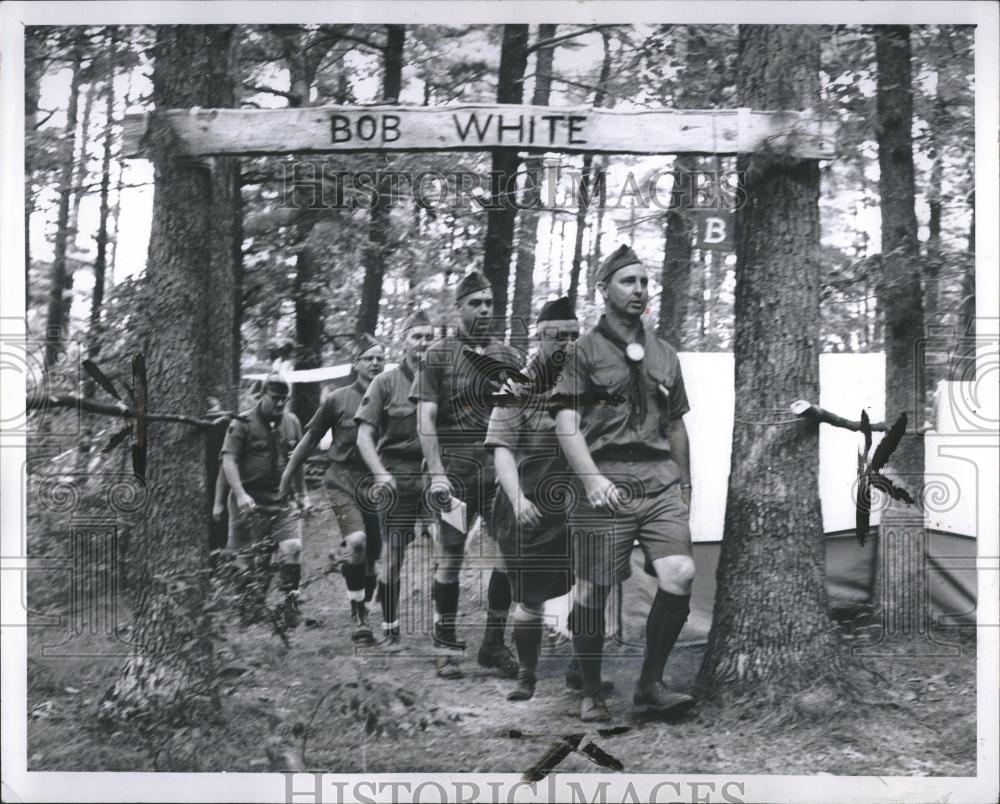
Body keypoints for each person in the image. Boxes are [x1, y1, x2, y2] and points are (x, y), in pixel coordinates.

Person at [552, 245, 696, 723]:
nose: (638, 290)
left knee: (679, 574)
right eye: (627, 281)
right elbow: (566, 423)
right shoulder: (582, 352)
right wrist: (590, 479)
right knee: (592, 593)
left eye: (643, 282)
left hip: (658, 484)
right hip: (604, 486)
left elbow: (675, 426)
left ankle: (651, 684)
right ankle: (591, 688)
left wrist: (686, 488)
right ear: (604, 290)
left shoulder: (665, 354)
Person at [410, 270, 521, 679]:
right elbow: (426, 417)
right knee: (451, 556)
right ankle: (446, 645)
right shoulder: (438, 354)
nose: (484, 310)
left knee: (510, 555)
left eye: (489, 303)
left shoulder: (508, 357)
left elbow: (521, 415)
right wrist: (437, 475)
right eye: (475, 303)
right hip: (454, 474)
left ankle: (493, 643)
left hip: (497, 472)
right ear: (458, 308)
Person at [486, 297, 580, 701]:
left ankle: (581, 671)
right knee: (529, 599)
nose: (569, 344)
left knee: (592, 588)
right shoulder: (516, 387)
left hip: (576, 506)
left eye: (575, 336)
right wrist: (519, 499)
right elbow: (502, 449)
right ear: (539, 337)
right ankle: (527, 674)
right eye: (560, 336)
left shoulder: (587, 383)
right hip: (527, 507)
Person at [280, 334, 385, 644]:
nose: (375, 363)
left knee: (372, 555)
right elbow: (310, 439)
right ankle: (358, 615)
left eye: (380, 358)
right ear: (356, 364)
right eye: (369, 358)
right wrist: (288, 474)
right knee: (356, 542)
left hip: (377, 484)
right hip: (341, 480)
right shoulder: (337, 399)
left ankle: (363, 602)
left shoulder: (391, 396)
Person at [355, 310, 436, 649]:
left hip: (434, 476)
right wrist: (380, 473)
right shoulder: (384, 383)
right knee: (393, 554)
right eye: (417, 337)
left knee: (447, 547)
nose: (423, 344)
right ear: (404, 341)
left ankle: (442, 629)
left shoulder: (441, 379)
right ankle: (390, 628)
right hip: (397, 477)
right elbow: (364, 437)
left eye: (429, 338)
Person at [220, 374, 305, 627]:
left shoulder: (292, 422)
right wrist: (240, 494)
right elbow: (228, 460)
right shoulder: (242, 423)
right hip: (249, 500)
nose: (280, 405)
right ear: (262, 396)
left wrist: (303, 495)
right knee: (246, 557)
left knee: (293, 548)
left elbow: (297, 459)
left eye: (284, 400)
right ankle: (247, 608)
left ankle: (290, 607)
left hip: (282, 499)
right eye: (275, 399)